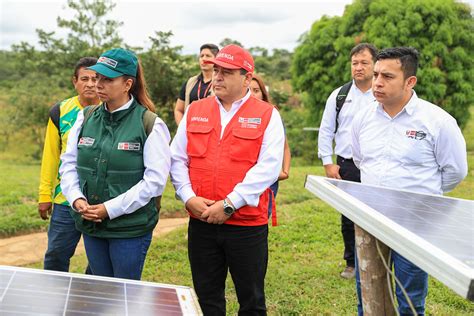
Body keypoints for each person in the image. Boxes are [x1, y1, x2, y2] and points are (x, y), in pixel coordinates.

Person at [351, 47, 467, 315]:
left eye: (388, 76)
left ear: (410, 81)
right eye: (376, 74)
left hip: (415, 223)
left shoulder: (437, 121)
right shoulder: (363, 118)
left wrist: (420, 198)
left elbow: (455, 171)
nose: (377, 82)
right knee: (368, 295)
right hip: (370, 218)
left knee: (410, 300)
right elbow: (360, 161)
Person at [170, 44, 285, 315]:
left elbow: (268, 167)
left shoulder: (267, 114)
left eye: (227, 72)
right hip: (202, 221)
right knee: (207, 298)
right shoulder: (195, 110)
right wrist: (188, 197)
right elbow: (177, 158)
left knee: (252, 300)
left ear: (247, 78)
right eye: (217, 70)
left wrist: (230, 204)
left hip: (246, 224)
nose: (218, 76)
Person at [60, 48, 171, 280]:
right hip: (91, 225)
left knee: (124, 294)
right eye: (97, 77)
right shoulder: (86, 117)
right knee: (102, 291)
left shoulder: (150, 124)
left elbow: (154, 183)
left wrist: (109, 209)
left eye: (108, 79)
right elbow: (68, 163)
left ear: (127, 84)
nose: (98, 84)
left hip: (130, 230)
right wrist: (77, 199)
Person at [318, 43, 378, 279]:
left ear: (375, 64)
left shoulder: (382, 93)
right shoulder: (340, 95)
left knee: (379, 212)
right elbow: (326, 130)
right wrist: (327, 161)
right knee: (348, 216)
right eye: (355, 63)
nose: (359, 67)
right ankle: (352, 263)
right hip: (347, 165)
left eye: (364, 62)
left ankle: (376, 260)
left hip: (376, 165)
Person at [38, 57, 99, 272]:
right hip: (65, 200)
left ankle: (89, 298)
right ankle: (54, 296)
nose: (91, 84)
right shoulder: (60, 111)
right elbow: (51, 157)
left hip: (100, 202)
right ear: (75, 81)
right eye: (85, 79)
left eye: (96, 78)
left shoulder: (112, 109)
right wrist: (44, 195)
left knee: (99, 260)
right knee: (56, 253)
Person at [250, 74, 291, 221]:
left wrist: (285, 171)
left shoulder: (272, 114)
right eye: (248, 90)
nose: (252, 94)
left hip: (268, 180)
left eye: (256, 90)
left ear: (263, 93)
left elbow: (284, 146)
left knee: (261, 218)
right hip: (244, 177)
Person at [174, 43, 219, 125]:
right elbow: (178, 110)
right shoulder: (190, 83)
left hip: (212, 133)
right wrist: (182, 130)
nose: (204, 59)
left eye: (208, 56)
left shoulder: (221, 83)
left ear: (216, 59)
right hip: (190, 133)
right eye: (201, 56)